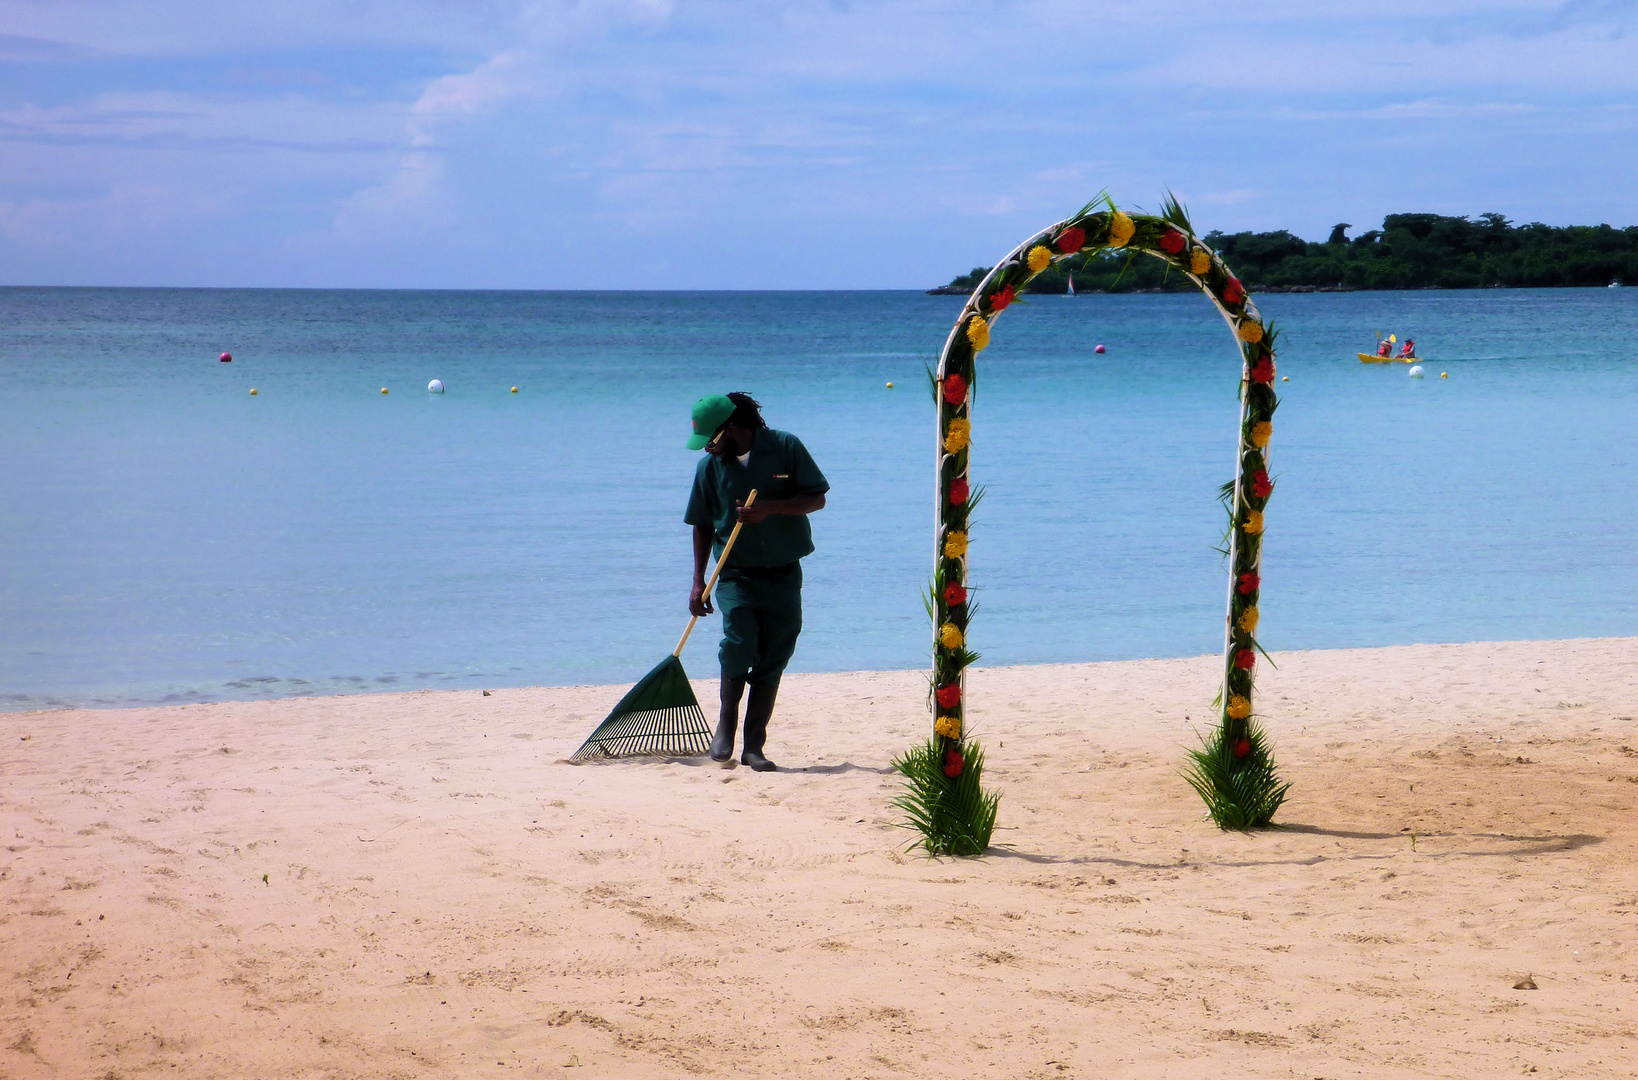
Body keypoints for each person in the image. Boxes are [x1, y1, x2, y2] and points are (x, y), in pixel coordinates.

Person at [683, 393, 828, 771]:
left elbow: (817, 498)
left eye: (711, 439)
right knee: (739, 642)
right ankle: (725, 724)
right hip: (735, 574)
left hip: (783, 570)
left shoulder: (784, 447)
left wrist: (770, 508)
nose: (708, 448)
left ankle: (754, 745)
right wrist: (698, 582)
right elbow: (700, 523)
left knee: (776, 652)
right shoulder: (708, 469)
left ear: (731, 428)